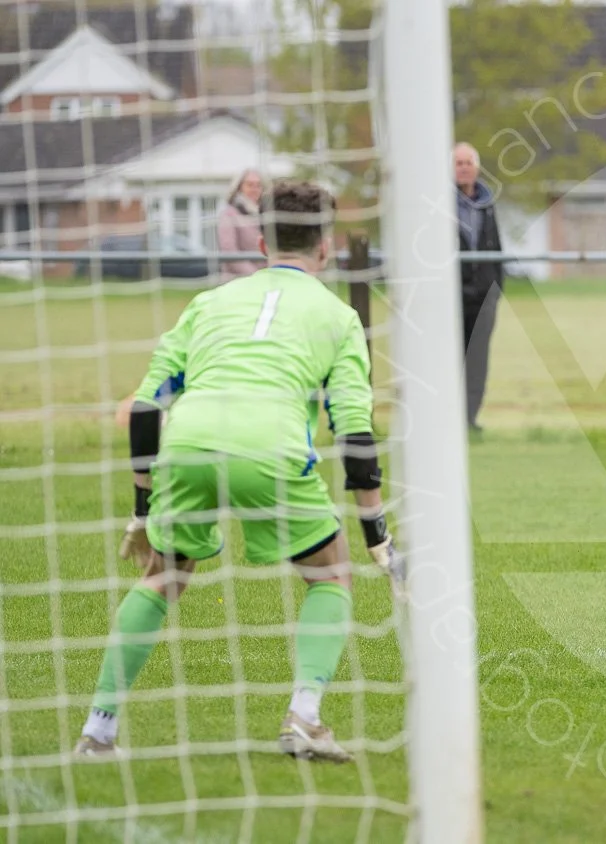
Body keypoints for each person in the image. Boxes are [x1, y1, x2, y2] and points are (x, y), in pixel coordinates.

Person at [74, 180, 404, 763]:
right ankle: (304, 719)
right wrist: (377, 535)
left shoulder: (210, 302)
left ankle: (98, 732)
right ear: (325, 247)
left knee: (162, 576)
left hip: (189, 442)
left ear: (261, 244)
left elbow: (146, 407)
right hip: (270, 448)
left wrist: (143, 510)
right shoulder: (339, 316)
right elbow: (354, 430)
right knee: (331, 577)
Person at [454, 142, 504, 436]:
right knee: (452, 357)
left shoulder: (487, 204)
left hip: (484, 295)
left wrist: (496, 288)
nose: (463, 168)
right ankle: (450, 419)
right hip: (452, 296)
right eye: (458, 163)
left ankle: (470, 420)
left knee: (477, 360)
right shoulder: (440, 204)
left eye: (468, 163)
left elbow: (496, 247)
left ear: (476, 168)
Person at [216, 168, 265, 281]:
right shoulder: (229, 214)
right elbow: (229, 251)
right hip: (237, 280)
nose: (254, 189)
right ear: (239, 187)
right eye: (250, 185)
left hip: (265, 280)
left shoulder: (266, 213)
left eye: (258, 185)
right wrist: (256, 276)